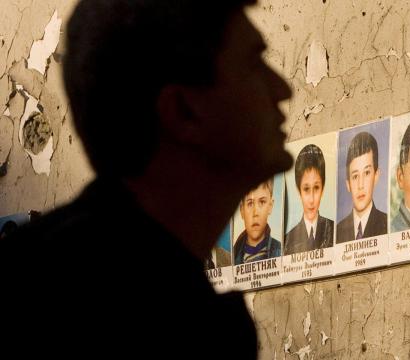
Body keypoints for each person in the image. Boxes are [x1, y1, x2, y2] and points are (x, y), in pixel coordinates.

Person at [0, 0, 292, 354]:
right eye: (253, 63)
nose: (283, 89)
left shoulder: (33, 269)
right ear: (183, 112)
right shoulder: (182, 326)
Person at [336, 132, 387, 243]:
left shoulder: (387, 225)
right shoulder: (337, 232)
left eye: (367, 173)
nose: (360, 185)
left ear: (376, 175)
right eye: (355, 176)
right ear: (348, 184)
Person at [284, 144, 334, 254]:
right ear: (299, 191)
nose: (311, 199)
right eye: (306, 189)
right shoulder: (286, 242)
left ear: (323, 189)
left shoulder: (335, 230)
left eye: (316, 188)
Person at [233, 179, 282, 264]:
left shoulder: (281, 250)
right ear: (241, 210)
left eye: (262, 202)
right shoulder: (231, 257)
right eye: (250, 203)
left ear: (270, 206)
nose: (255, 213)